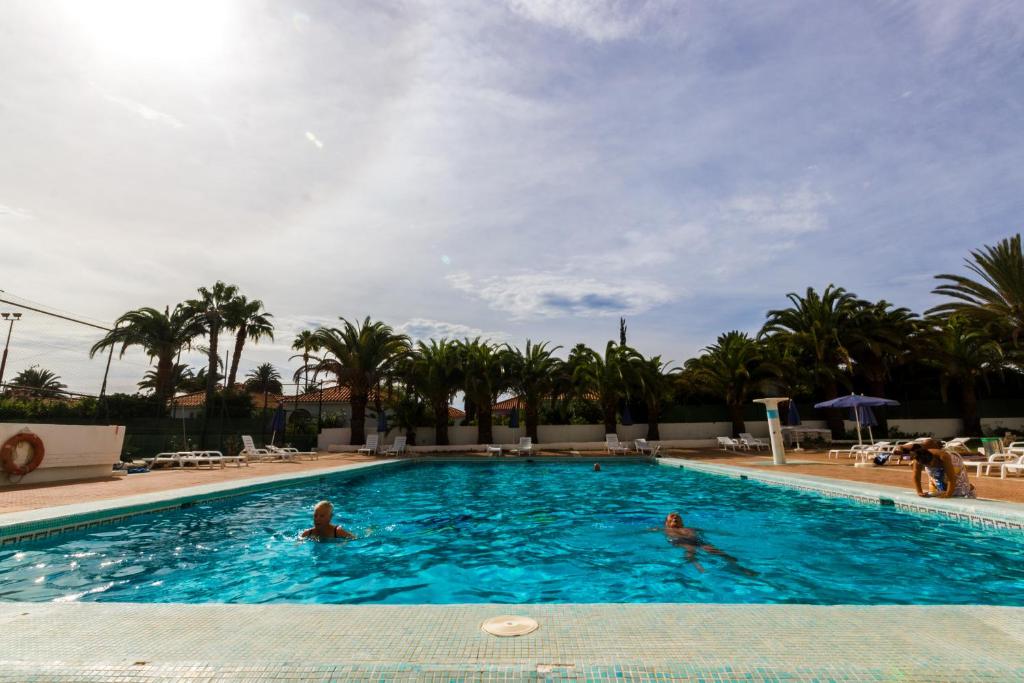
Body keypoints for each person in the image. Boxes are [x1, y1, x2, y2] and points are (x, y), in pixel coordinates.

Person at [661, 512, 755, 575]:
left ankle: (740, 568)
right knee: (690, 551)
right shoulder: (664, 529)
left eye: (677, 517)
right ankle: (701, 569)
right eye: (672, 516)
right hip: (680, 541)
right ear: (666, 522)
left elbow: (712, 531)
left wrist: (726, 533)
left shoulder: (691, 528)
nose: (675, 517)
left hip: (698, 541)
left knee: (716, 551)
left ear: (682, 522)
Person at [896, 440, 976, 499]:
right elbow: (916, 476)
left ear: (934, 457)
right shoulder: (918, 459)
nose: (931, 465)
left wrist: (948, 494)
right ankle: (945, 490)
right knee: (938, 483)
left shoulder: (944, 456)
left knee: (958, 489)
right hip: (930, 464)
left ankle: (967, 490)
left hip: (954, 467)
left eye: (933, 463)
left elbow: (952, 478)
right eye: (928, 465)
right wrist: (919, 491)